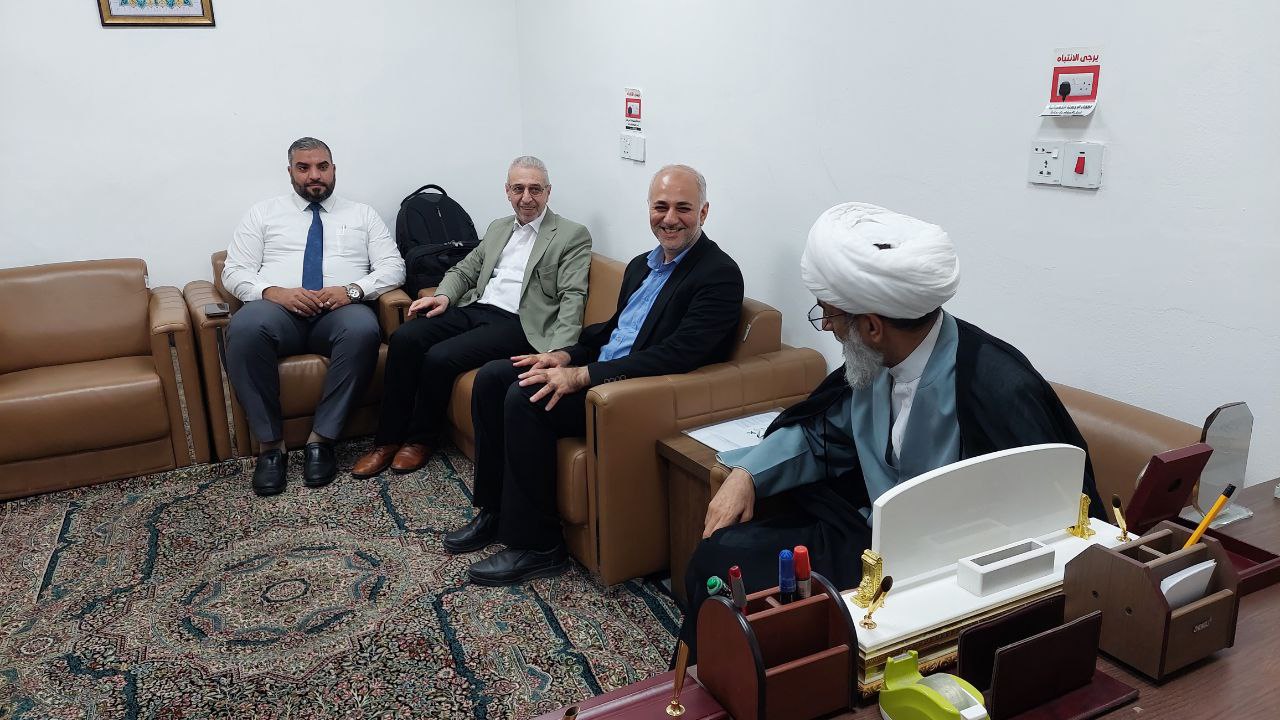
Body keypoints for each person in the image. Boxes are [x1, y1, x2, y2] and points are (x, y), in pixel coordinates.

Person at [679, 202, 1103, 659]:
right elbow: (822, 432)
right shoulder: (875, 362)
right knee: (719, 557)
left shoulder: (995, 386)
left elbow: (1050, 512)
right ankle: (709, 683)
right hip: (869, 540)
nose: (827, 326)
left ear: (873, 327)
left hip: (942, 573)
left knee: (739, 579)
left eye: (830, 315)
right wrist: (748, 475)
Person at [443, 165, 745, 586]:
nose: (670, 218)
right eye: (660, 207)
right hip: (602, 371)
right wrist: (563, 355)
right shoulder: (642, 265)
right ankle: (497, 512)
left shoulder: (718, 275)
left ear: (704, 212)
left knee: (525, 399)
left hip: (633, 394)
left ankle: (539, 546)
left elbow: (677, 355)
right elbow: (612, 332)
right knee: (495, 377)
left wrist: (583, 375)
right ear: (649, 208)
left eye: (683, 208)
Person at [350, 156, 592, 478]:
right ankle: (386, 441)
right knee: (405, 338)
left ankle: (421, 440)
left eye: (535, 189)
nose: (526, 198)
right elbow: (465, 270)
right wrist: (443, 297)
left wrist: (559, 353)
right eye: (518, 189)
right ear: (507, 191)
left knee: (440, 356)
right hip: (477, 307)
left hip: (520, 323)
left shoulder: (571, 234)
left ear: (548, 191)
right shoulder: (498, 228)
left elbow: (573, 295)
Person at [222, 137, 405, 497]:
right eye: (303, 168)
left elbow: (393, 267)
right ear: (290, 171)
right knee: (244, 328)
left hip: (339, 312)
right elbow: (234, 271)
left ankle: (321, 440)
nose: (314, 175)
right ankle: (270, 447)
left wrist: (352, 290)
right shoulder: (262, 213)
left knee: (363, 329)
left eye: (322, 167)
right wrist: (274, 292)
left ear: (333, 170)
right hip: (278, 312)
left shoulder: (362, 215)